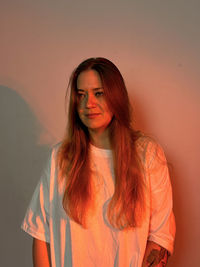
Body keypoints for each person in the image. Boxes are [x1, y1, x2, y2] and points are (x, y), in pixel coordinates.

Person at [21, 57, 176, 267]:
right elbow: (40, 233)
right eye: (81, 95)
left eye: (99, 93)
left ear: (116, 97)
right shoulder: (60, 157)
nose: (88, 104)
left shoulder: (147, 154)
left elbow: (161, 237)